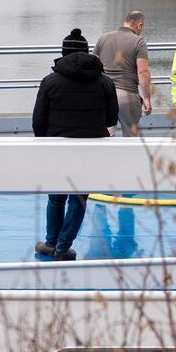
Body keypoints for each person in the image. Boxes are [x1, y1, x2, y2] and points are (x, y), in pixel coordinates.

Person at [31, 28, 118, 260]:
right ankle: (63, 247)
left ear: (63, 53)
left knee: (55, 197)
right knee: (79, 198)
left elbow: (38, 120)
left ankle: (51, 243)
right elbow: (111, 119)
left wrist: (44, 143)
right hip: (90, 150)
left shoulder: (49, 82)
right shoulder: (105, 83)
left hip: (57, 147)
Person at [93, 9, 153, 136]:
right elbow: (142, 71)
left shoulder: (103, 38)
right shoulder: (139, 41)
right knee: (130, 136)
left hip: (104, 93)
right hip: (127, 95)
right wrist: (147, 98)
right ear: (140, 25)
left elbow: (93, 66)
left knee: (105, 135)